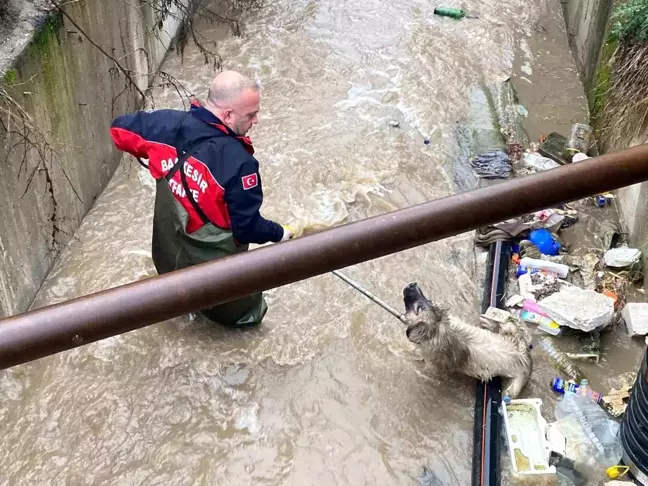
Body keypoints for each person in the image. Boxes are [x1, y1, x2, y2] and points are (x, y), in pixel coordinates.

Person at [109, 70, 293, 328]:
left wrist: (154, 157)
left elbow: (118, 128)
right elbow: (248, 228)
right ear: (228, 115)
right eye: (251, 114)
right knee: (246, 323)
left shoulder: (166, 125)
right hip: (214, 269)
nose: (257, 120)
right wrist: (280, 233)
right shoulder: (240, 164)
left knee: (175, 299)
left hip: (170, 252)